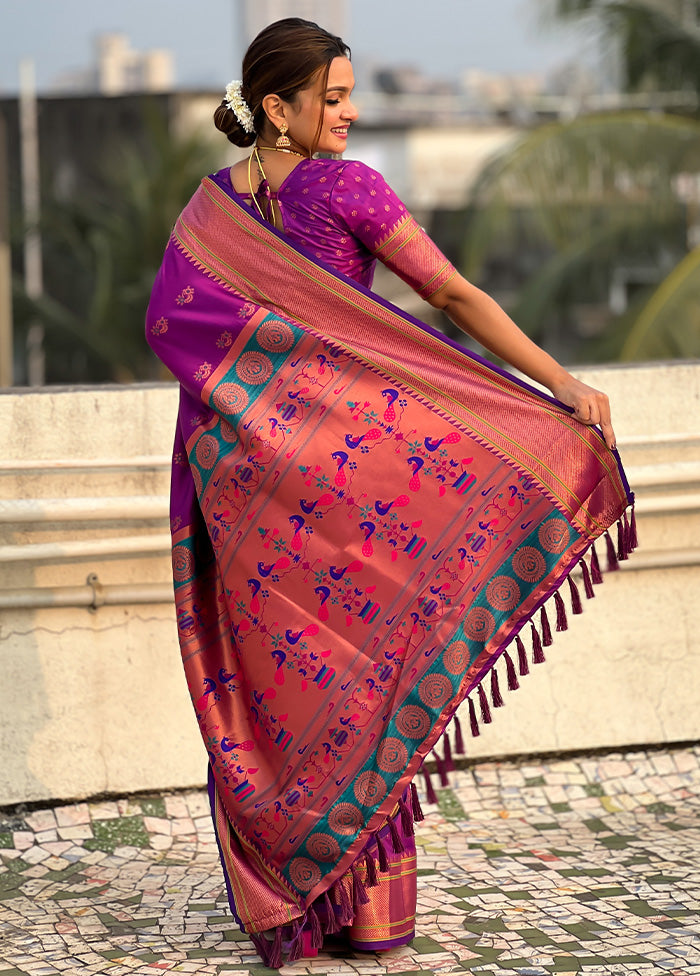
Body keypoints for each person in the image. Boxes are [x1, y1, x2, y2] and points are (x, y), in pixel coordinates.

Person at [146, 18, 634, 968]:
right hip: (339, 487)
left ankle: (301, 906)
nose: (350, 113)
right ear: (276, 110)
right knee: (363, 682)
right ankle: (364, 918)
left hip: (249, 497)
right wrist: (558, 386)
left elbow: (180, 336)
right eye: (331, 98)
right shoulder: (346, 187)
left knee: (289, 690)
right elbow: (450, 297)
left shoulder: (209, 213)